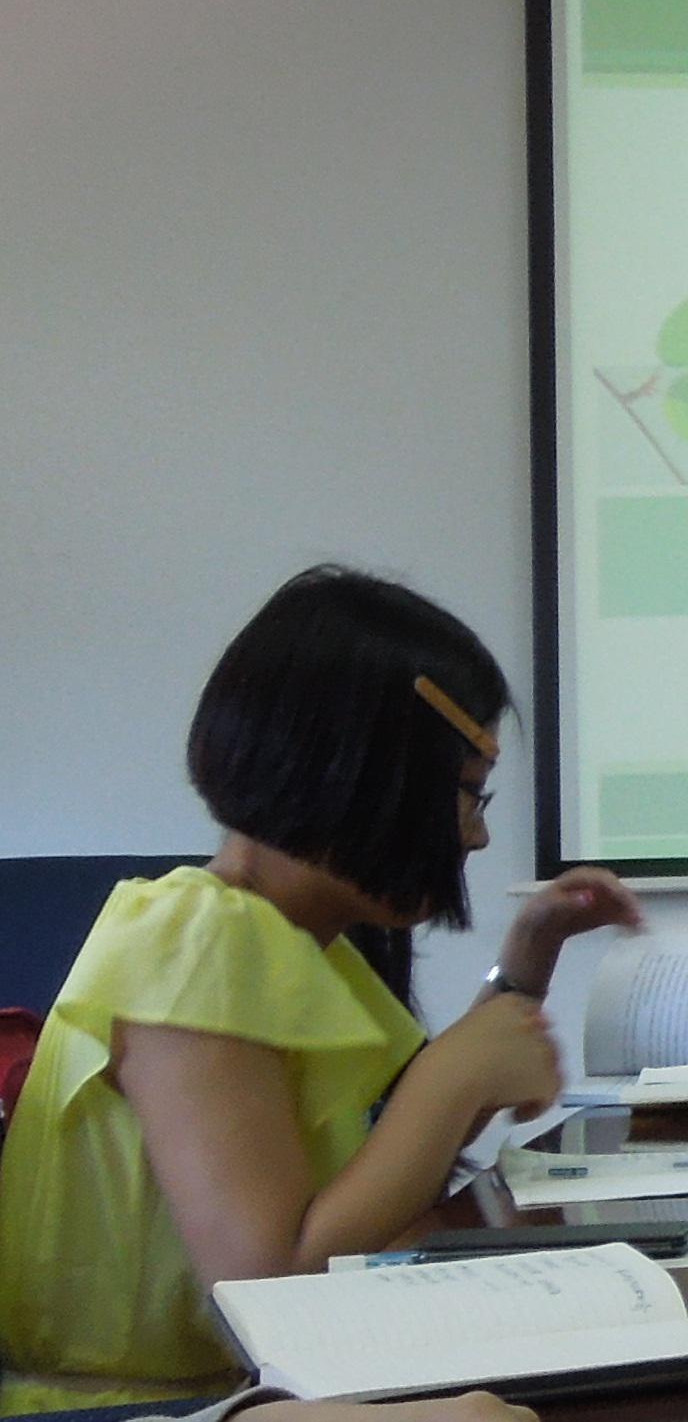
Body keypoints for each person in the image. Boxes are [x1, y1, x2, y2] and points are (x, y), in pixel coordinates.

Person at [0, 567, 643, 1381]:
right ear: (361, 772)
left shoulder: (294, 942)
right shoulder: (196, 941)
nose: (476, 836)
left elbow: (380, 1180)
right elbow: (268, 1290)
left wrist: (524, 963)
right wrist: (448, 1079)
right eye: (466, 794)